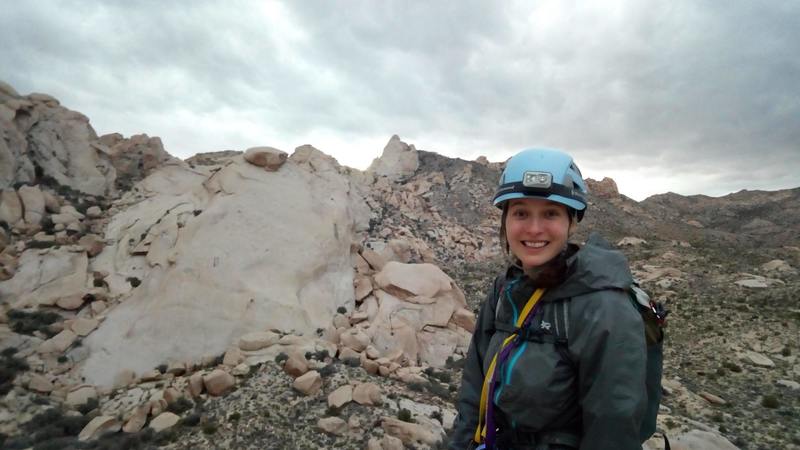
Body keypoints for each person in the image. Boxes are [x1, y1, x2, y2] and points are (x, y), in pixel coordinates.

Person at [449, 148, 648, 450]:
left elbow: (613, 429)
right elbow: (474, 392)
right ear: (505, 221)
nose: (534, 228)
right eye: (521, 213)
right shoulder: (504, 290)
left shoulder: (604, 308)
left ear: (572, 222)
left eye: (551, 213)